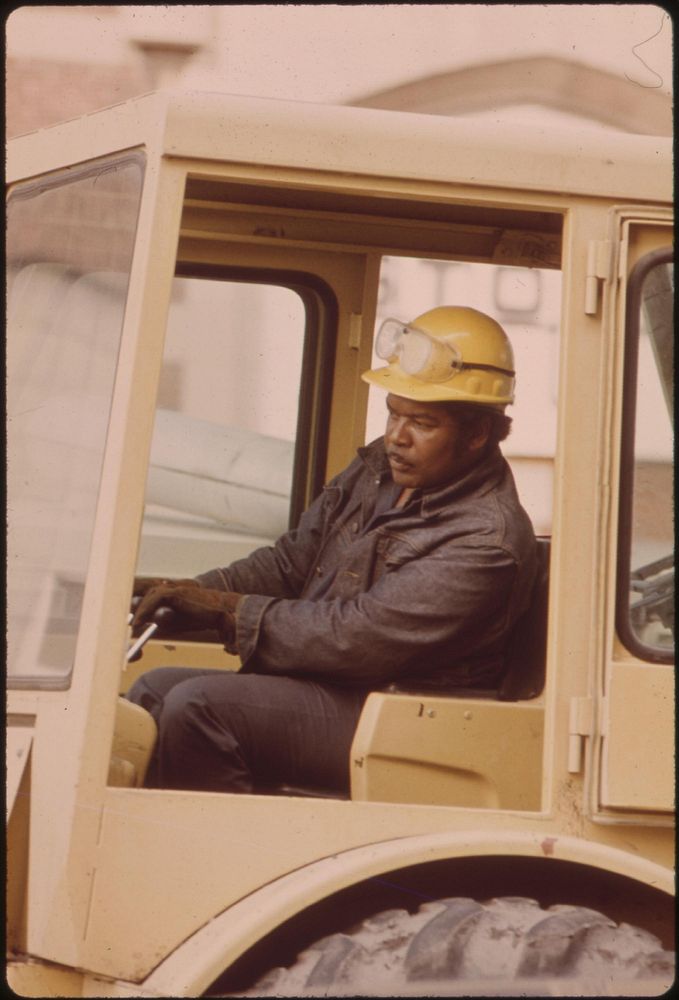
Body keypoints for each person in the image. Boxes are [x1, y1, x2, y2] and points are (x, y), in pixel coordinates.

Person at [128, 306, 537, 795]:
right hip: (339, 690)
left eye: (423, 423)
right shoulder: (380, 471)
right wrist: (186, 592)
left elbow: (358, 638)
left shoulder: (485, 539)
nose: (396, 437)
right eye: (393, 413)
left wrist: (224, 613)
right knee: (152, 691)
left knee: (198, 707)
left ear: (477, 434)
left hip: (406, 715)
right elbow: (290, 562)